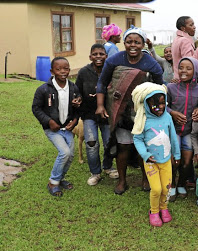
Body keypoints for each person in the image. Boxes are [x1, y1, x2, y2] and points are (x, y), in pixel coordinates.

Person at [96, 26, 163, 195]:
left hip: (143, 113)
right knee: (123, 147)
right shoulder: (114, 60)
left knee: (144, 148)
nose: (133, 45)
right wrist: (101, 105)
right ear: (124, 42)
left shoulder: (150, 63)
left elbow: (160, 86)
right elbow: (102, 83)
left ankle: (145, 178)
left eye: (137, 42)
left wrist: (158, 109)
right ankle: (122, 180)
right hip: (121, 112)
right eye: (129, 41)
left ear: (143, 44)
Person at [132, 83, 180, 227]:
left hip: (165, 161)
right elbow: (137, 138)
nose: (160, 108)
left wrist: (176, 154)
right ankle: (154, 211)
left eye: (162, 104)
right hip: (151, 162)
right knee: (156, 189)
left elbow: (173, 137)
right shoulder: (143, 119)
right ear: (147, 103)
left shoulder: (167, 117)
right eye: (155, 105)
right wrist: (145, 154)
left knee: (166, 187)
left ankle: (163, 208)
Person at [32, 57, 81, 196]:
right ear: (52, 71)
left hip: (67, 128)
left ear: (69, 70)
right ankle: (53, 182)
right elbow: (36, 108)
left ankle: (60, 178)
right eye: (58, 69)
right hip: (52, 129)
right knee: (64, 152)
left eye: (65, 68)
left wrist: (75, 120)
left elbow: (78, 107)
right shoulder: (43, 89)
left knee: (70, 155)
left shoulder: (73, 87)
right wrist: (49, 121)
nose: (62, 71)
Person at [75, 44, 118, 186]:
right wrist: (80, 98)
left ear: (106, 56)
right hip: (89, 114)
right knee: (91, 143)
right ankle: (95, 172)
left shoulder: (112, 70)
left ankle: (108, 167)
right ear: (90, 57)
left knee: (108, 143)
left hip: (107, 114)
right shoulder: (83, 72)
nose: (98, 57)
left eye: (101, 54)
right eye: (95, 54)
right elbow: (77, 91)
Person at [167, 57, 198, 200]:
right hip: (174, 131)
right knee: (174, 162)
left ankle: (182, 184)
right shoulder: (171, 87)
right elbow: (163, 106)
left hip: (189, 132)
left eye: (188, 68)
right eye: (181, 67)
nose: (184, 71)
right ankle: (172, 186)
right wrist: (173, 113)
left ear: (195, 71)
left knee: (187, 162)